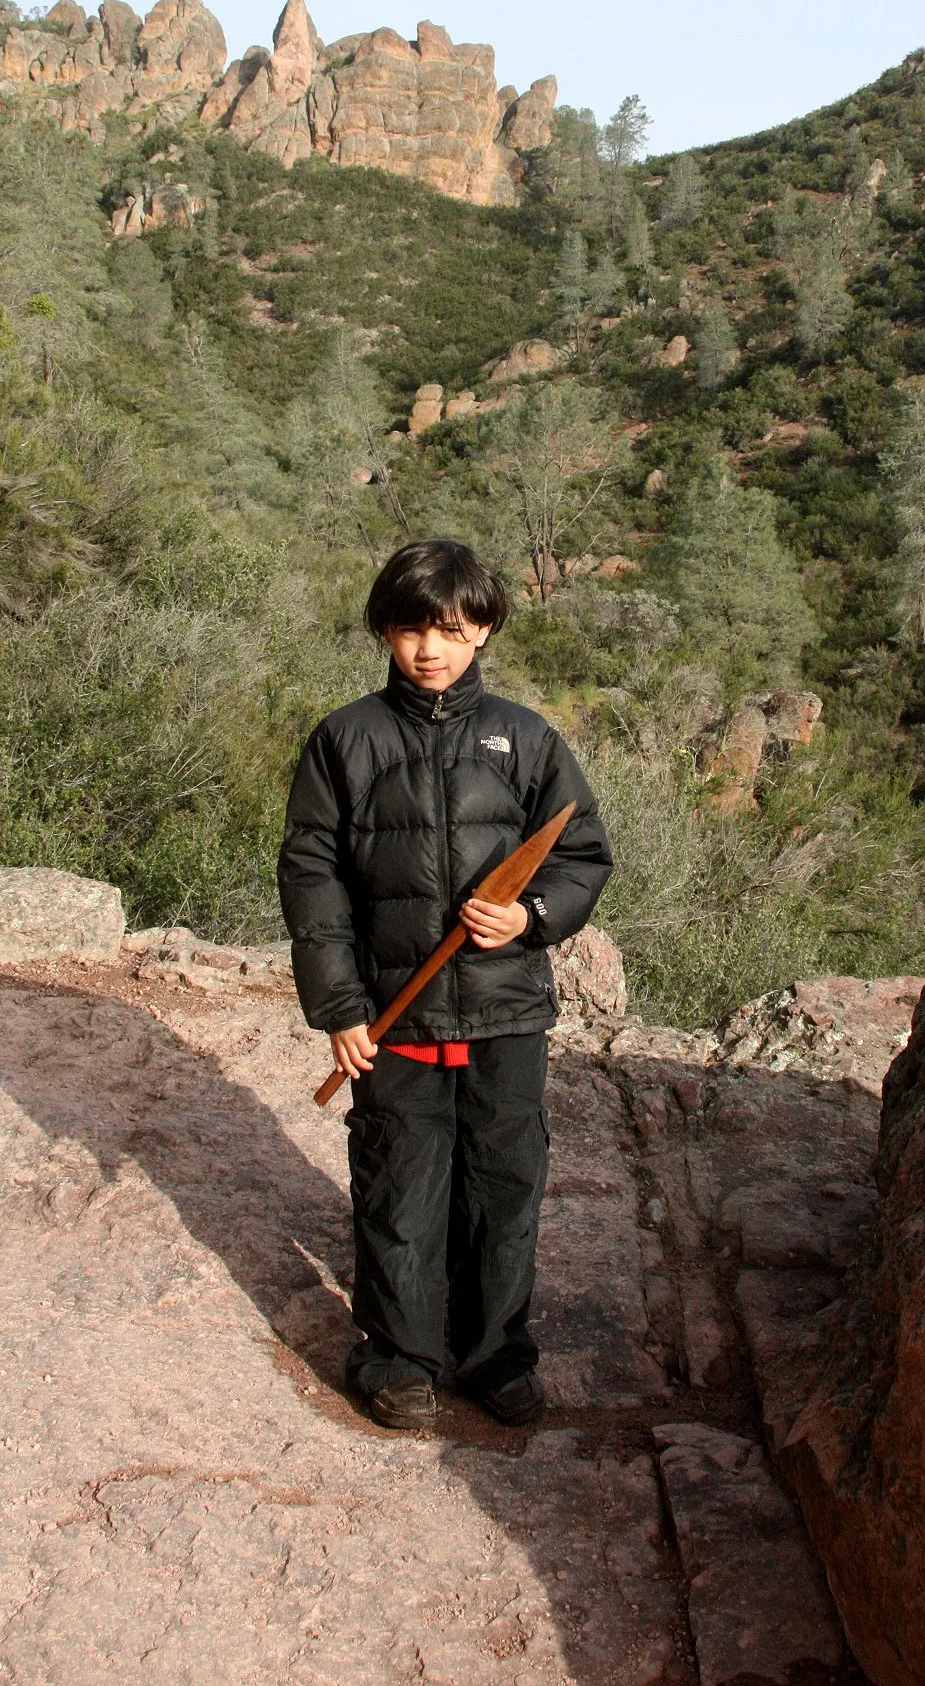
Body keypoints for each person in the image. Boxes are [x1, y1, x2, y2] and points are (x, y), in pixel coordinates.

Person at [278, 537, 612, 1432]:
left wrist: (532, 919)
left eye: (454, 628)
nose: (431, 647)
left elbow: (580, 852)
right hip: (397, 1014)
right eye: (412, 627)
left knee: (503, 1185)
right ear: (384, 630)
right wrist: (341, 1009)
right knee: (400, 1185)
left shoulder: (527, 737)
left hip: (505, 1014)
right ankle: (398, 1355)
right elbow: (313, 879)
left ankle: (496, 1353)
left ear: (486, 630)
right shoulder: (345, 739)